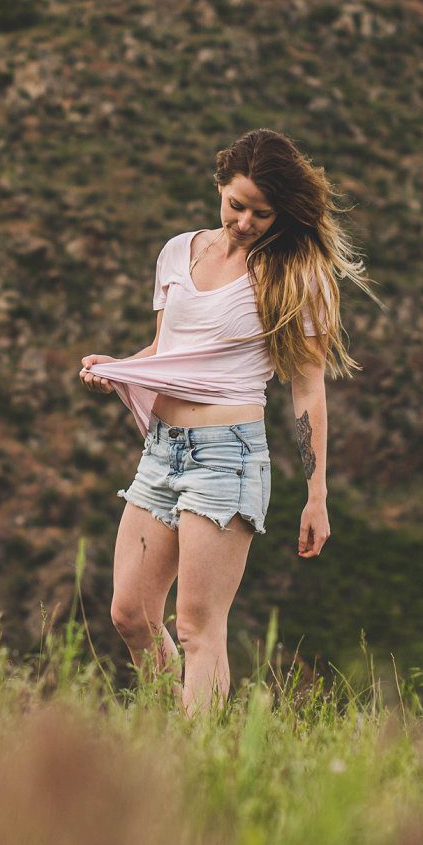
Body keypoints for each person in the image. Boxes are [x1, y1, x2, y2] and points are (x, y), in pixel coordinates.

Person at [78, 126, 370, 711]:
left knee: (196, 628)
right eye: (237, 205)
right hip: (162, 450)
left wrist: (316, 495)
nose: (244, 222)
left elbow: (308, 387)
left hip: (227, 456)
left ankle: (197, 750)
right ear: (219, 186)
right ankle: (176, 729)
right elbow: (166, 352)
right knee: (130, 613)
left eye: (262, 213)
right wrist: (119, 367)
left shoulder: (295, 273)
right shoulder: (177, 252)